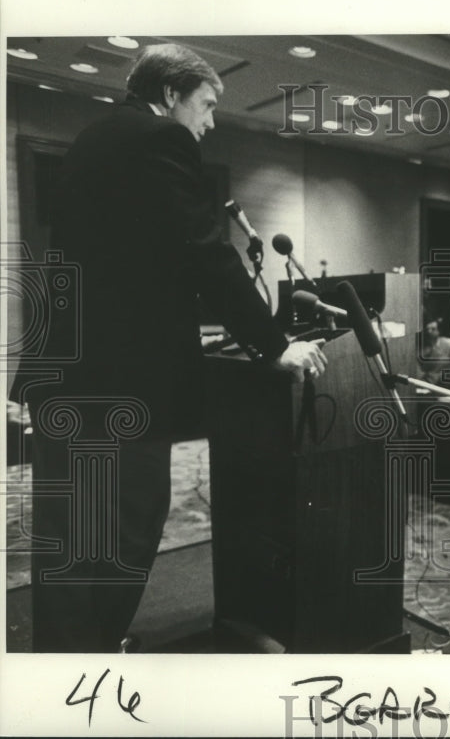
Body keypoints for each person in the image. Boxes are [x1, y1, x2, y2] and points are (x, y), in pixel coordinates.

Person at [20, 44, 326, 652]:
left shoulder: (91, 141)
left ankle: (60, 667)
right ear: (170, 95)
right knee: (129, 527)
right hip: (124, 382)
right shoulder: (162, 141)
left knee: (67, 534)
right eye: (206, 104)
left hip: (64, 374)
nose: (209, 122)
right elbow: (204, 252)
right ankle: (94, 657)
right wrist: (274, 344)